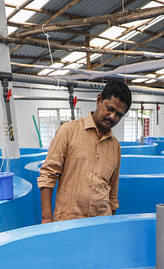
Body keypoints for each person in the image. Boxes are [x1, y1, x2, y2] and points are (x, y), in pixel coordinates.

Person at [38, 80, 132, 223]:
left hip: (101, 223)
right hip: (68, 221)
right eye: (110, 109)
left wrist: (112, 224)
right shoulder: (68, 131)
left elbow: (113, 191)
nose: (112, 117)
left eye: (119, 114)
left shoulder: (115, 146)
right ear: (99, 99)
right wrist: (46, 218)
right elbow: (48, 175)